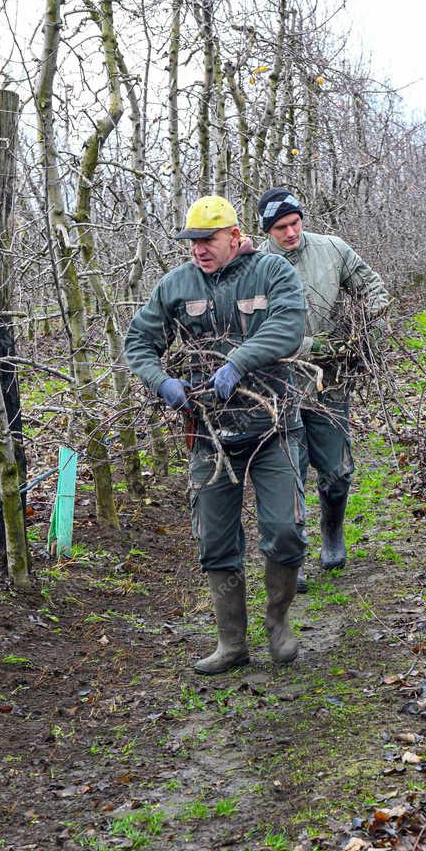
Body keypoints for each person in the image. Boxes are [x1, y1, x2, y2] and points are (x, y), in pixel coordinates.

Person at [123, 194, 308, 673]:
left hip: (273, 427)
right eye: (192, 242)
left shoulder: (271, 273)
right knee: (215, 540)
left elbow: (288, 326)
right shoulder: (177, 285)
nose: (199, 249)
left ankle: (278, 623)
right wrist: (160, 381)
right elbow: (138, 340)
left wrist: (237, 362)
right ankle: (231, 643)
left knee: (285, 531)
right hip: (209, 432)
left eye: (208, 240)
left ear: (235, 236)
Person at [258, 187, 388, 587]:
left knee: (336, 469)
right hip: (278, 382)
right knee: (287, 470)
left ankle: (332, 532)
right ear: (267, 230)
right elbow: (255, 330)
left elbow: (375, 290)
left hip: (330, 379)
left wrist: (366, 334)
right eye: (281, 228)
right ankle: (290, 554)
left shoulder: (332, 249)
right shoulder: (255, 267)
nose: (291, 232)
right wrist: (311, 345)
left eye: (295, 223)